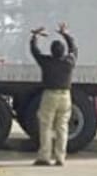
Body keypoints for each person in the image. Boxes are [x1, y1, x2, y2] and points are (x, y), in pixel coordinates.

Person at [29, 22, 77, 167]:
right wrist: (65, 34)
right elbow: (74, 48)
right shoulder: (69, 62)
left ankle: (44, 156)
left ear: (51, 51)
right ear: (63, 52)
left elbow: (35, 51)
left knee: (46, 126)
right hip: (65, 96)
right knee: (62, 127)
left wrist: (35, 36)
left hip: (50, 95)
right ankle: (60, 157)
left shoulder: (46, 62)